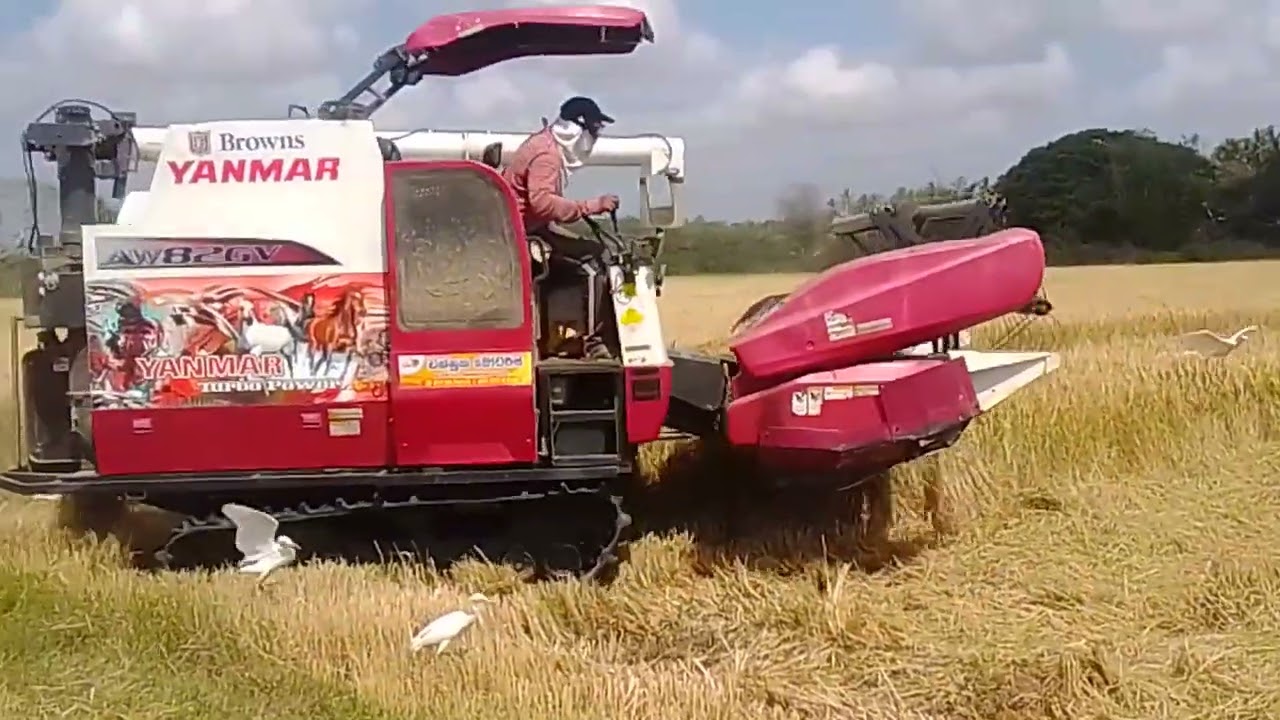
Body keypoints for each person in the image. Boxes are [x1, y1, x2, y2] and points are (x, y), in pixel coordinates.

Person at [503, 96, 621, 359]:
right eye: (593, 129)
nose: (595, 136)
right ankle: (592, 343)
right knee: (594, 261)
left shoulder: (543, 144)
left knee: (590, 249)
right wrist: (593, 205)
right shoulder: (548, 157)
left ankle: (560, 334)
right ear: (577, 128)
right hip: (524, 234)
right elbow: (543, 204)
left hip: (523, 229)